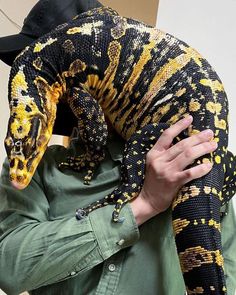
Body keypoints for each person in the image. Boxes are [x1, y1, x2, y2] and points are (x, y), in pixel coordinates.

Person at [0, 1, 236, 295]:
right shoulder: (40, 165)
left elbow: (227, 269)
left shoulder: (196, 162)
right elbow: (9, 267)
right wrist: (143, 205)